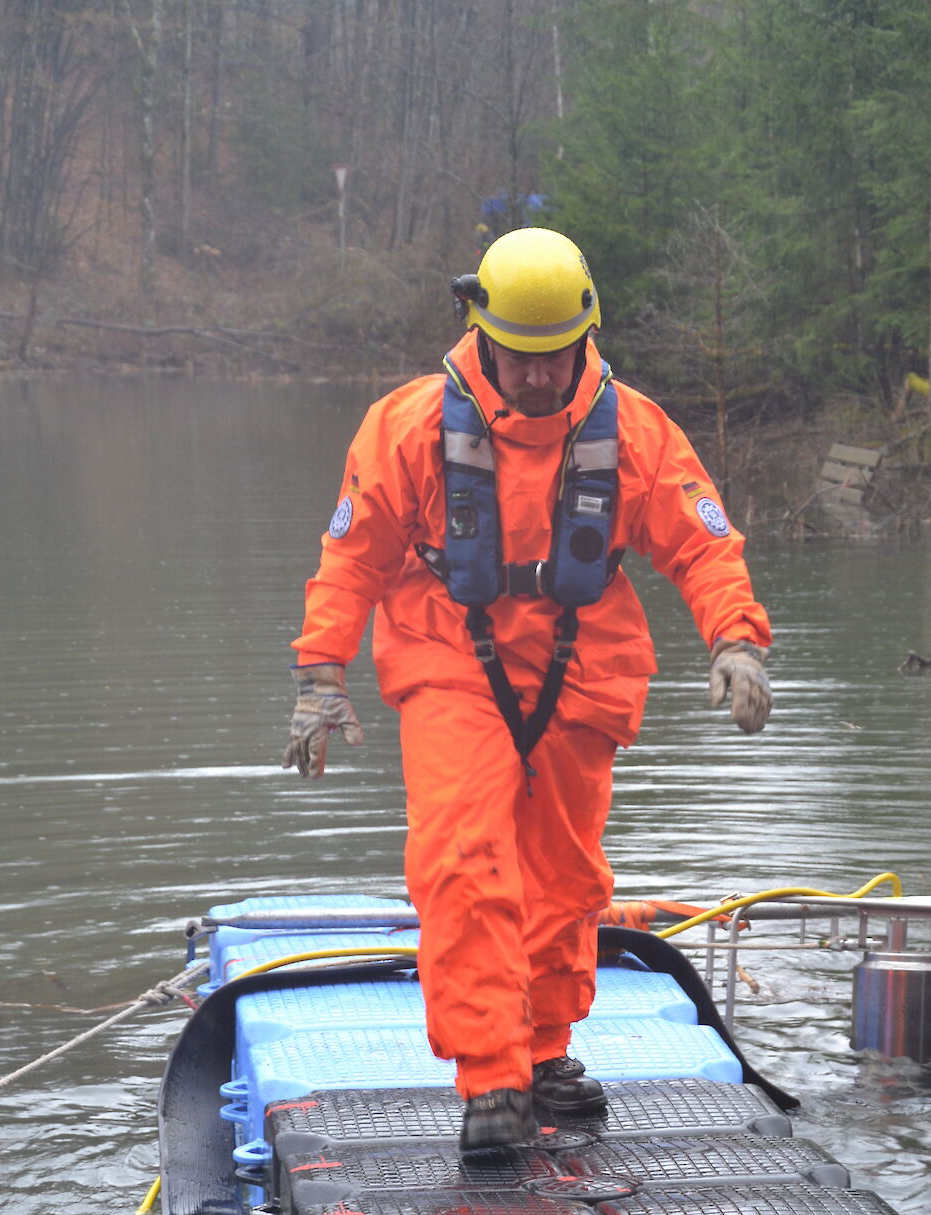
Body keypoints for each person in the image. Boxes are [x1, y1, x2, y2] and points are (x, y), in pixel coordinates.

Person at [283, 227, 772, 1151]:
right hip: (449, 658)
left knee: (565, 879)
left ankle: (543, 1051)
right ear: (480, 331)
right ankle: (491, 1082)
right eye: (522, 357)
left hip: (582, 665)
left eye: (558, 357)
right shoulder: (408, 428)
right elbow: (351, 558)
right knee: (463, 860)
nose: (542, 377)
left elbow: (704, 542)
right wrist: (320, 675)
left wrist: (736, 639)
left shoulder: (635, 432)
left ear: (586, 335)